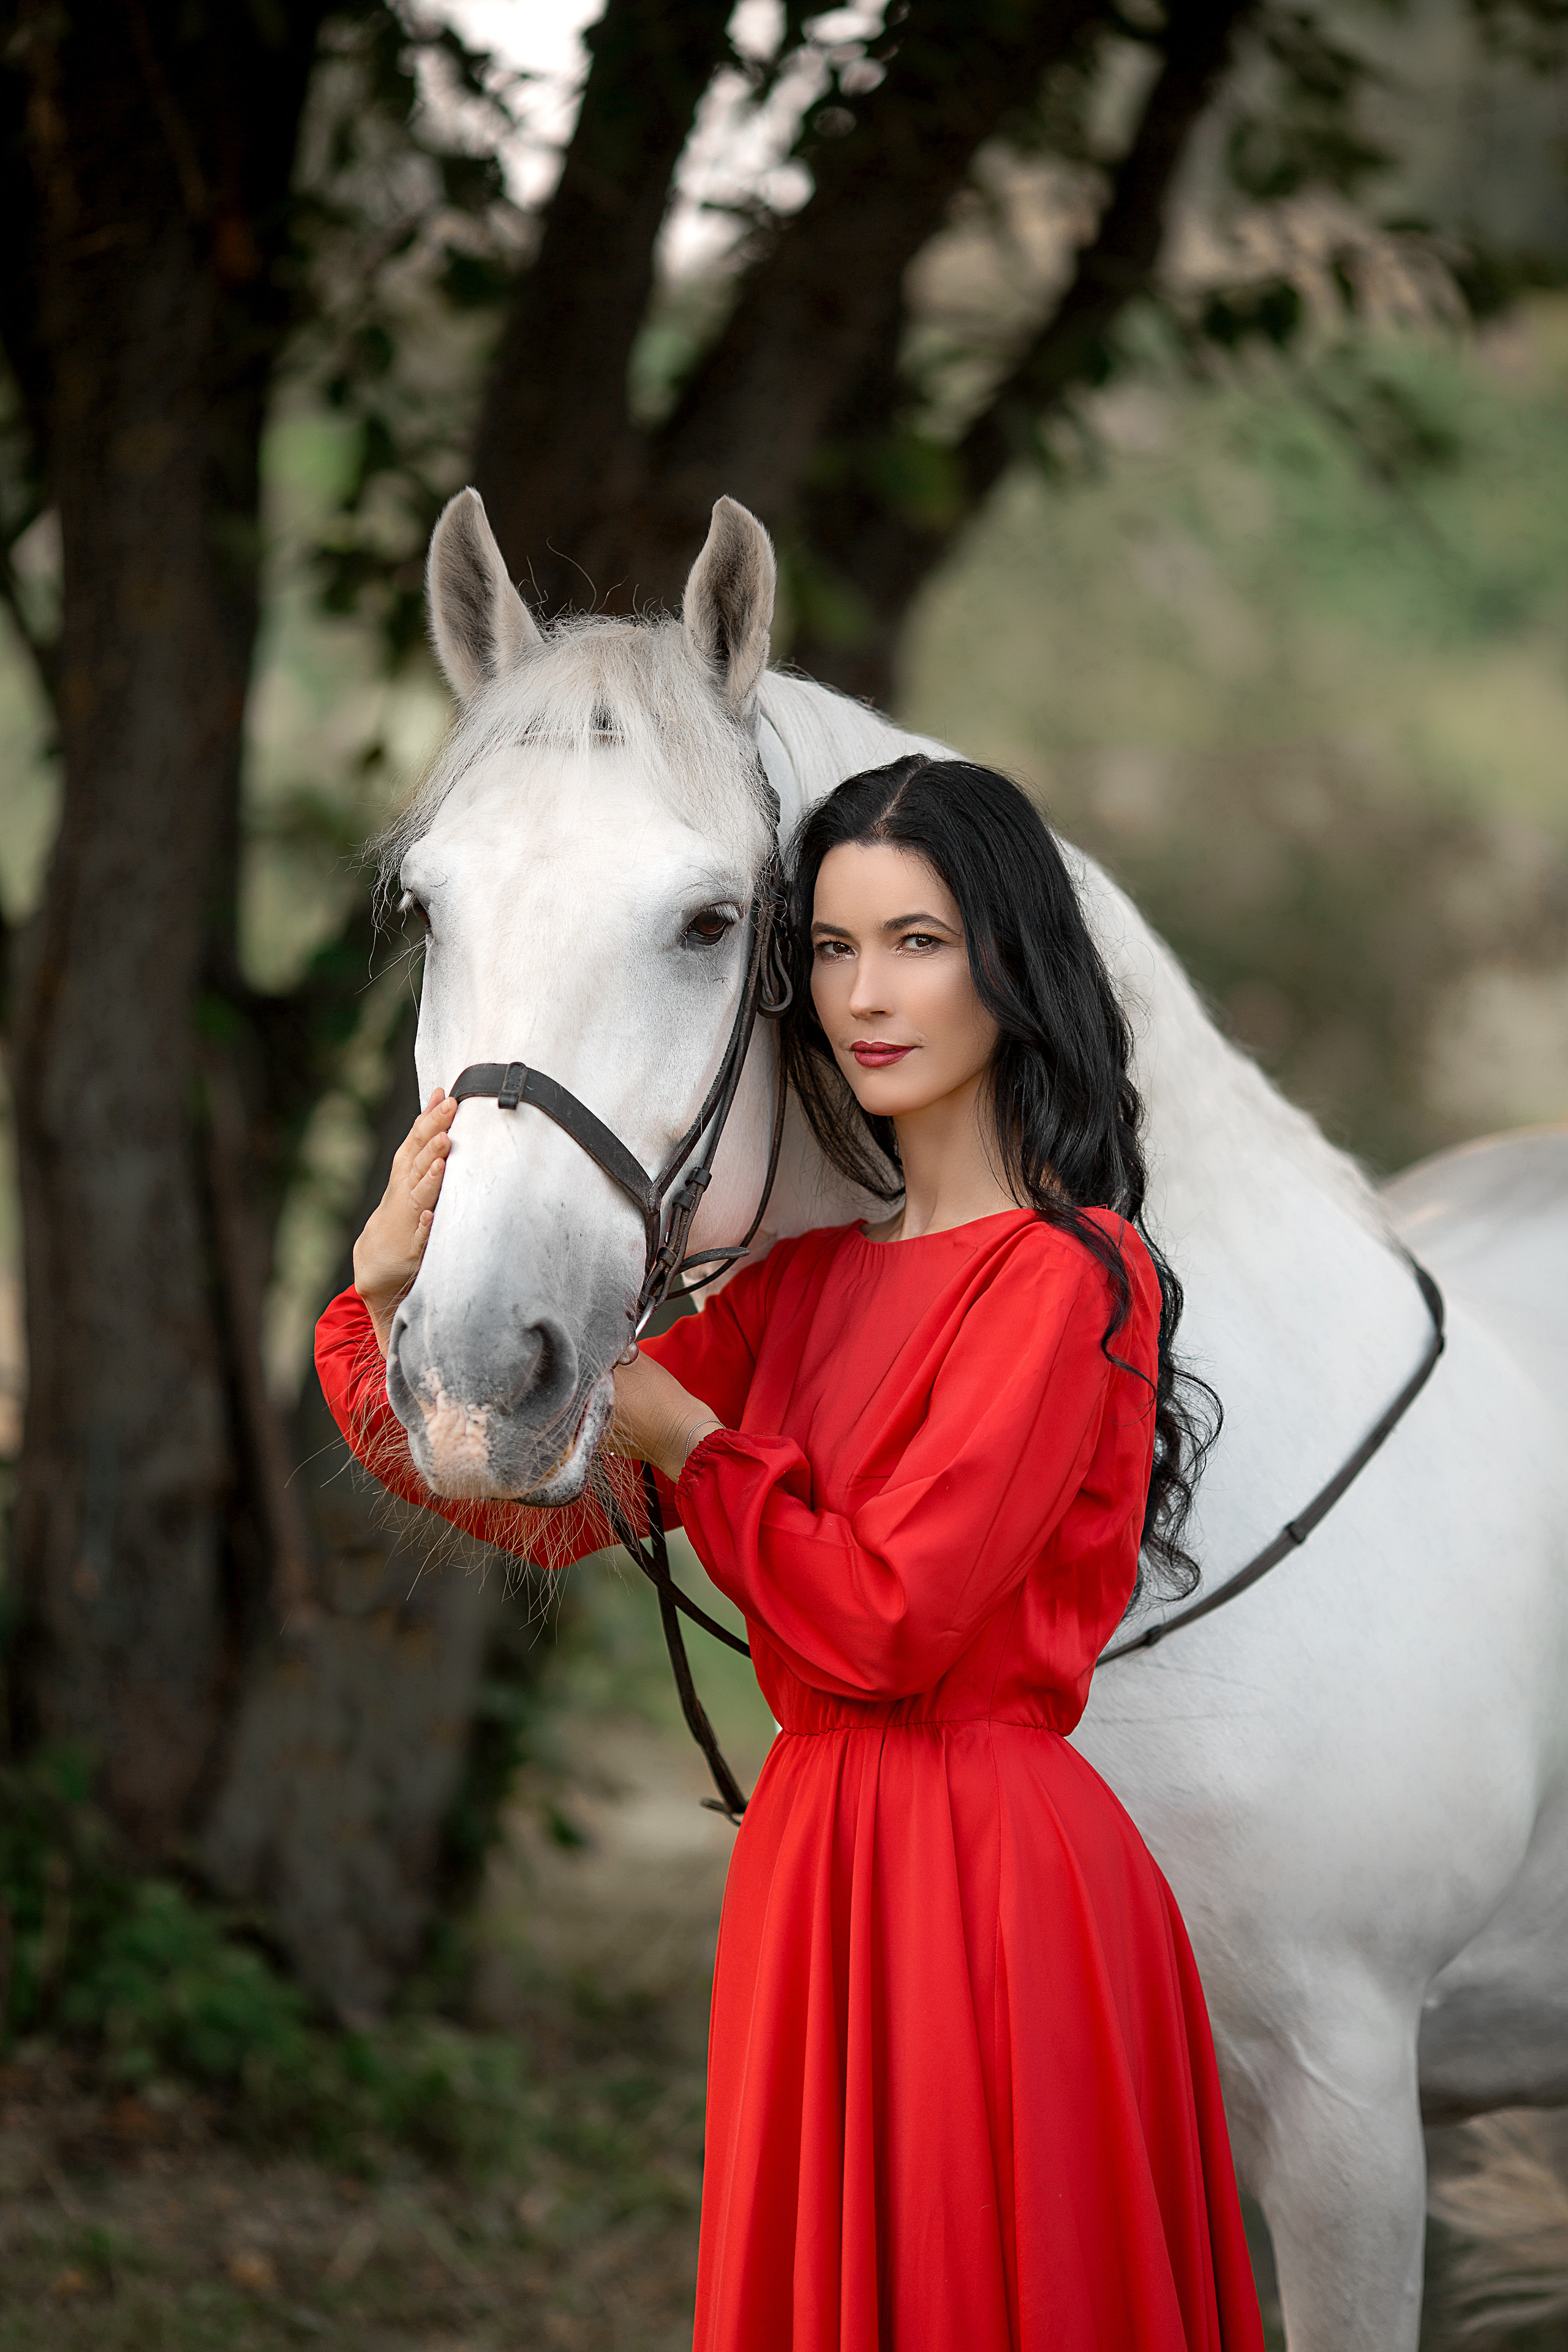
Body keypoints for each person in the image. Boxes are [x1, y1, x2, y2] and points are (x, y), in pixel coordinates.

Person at [316, 755, 1265, 2351]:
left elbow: (889, 1623)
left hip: (991, 1879)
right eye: (830, 949)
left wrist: (695, 1440)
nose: (865, 995)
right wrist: (385, 1306)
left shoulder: (1069, 1277)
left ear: (1012, 962)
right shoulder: (805, 1288)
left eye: (916, 942)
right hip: (815, 1861)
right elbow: (545, 1501)